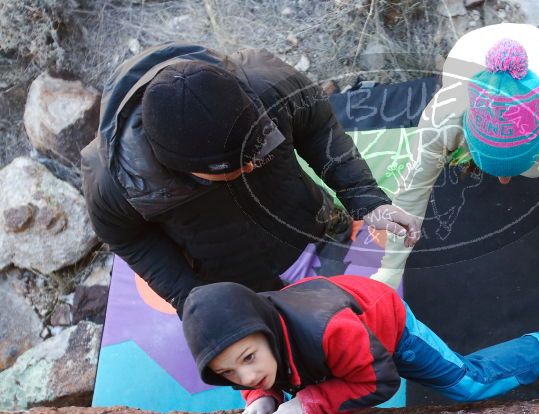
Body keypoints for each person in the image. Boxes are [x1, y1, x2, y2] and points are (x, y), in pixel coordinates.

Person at [81, 43, 419, 316]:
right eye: (232, 169)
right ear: (177, 166)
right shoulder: (114, 178)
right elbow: (128, 239)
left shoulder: (268, 84)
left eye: (256, 152)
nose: (250, 167)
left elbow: (317, 128)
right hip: (233, 284)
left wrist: (367, 200)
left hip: (318, 232)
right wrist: (193, 301)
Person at [371, 24, 539, 395]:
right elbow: (410, 199)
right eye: (498, 171)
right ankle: (488, 160)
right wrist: (388, 272)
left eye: (520, 170)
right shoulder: (442, 115)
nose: (507, 183)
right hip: (468, 71)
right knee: (445, 176)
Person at [181, 275, 539, 414]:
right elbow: (253, 373)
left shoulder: (331, 331)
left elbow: (380, 381)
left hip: (386, 324)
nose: (245, 376)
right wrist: (261, 395)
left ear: (264, 331)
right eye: (229, 374)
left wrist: (311, 404)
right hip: (339, 339)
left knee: (467, 384)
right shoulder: (254, 341)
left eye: (248, 360)